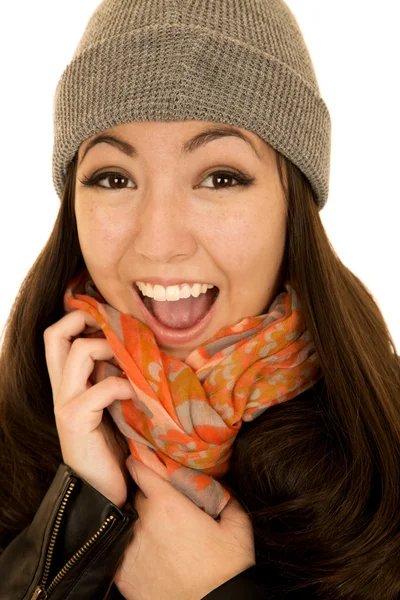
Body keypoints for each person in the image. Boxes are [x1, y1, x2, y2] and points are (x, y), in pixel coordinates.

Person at [0, 0, 399, 598]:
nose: (160, 243)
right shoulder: (16, 441)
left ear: (293, 204)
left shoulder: (384, 455)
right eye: (114, 178)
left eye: (220, 177)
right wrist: (78, 516)